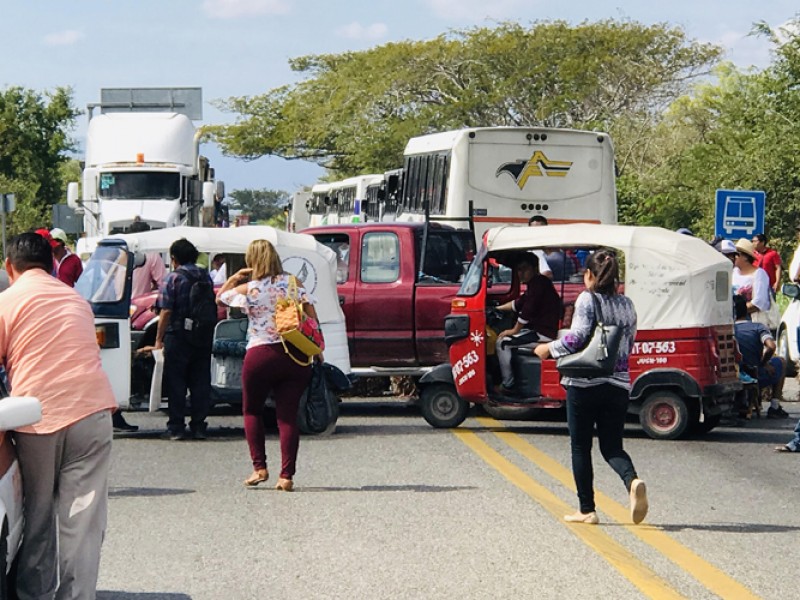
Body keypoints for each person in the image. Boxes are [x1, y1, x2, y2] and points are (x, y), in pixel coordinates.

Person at [0, 232, 117, 599]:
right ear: (53, 265)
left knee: (36, 516)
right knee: (83, 522)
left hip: (38, 418)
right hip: (94, 415)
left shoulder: (6, 302)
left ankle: (34, 595)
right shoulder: (76, 300)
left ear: (9, 267)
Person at [534, 250, 646, 525]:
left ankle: (587, 509)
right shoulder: (627, 305)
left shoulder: (587, 299)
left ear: (589, 275)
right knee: (612, 448)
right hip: (618, 384)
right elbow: (628, 344)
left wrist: (548, 348)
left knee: (580, 447)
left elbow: (577, 338)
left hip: (584, 384)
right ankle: (632, 482)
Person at [217, 239, 321, 491]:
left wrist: (234, 278)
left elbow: (220, 299)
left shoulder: (250, 289)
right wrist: (318, 350)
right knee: (287, 417)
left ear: (252, 261)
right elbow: (311, 316)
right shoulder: (295, 283)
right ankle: (286, 476)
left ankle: (259, 468)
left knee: (252, 410)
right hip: (294, 354)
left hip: (260, 354)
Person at [153, 239, 214, 440]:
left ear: (174, 258)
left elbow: (166, 310)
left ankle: (176, 427)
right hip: (203, 334)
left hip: (178, 335)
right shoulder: (205, 276)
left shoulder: (173, 278)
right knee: (200, 381)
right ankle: (198, 425)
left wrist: (159, 339)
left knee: (176, 381)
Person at [495, 253, 560, 393]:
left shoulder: (538, 284)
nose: (521, 273)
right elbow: (518, 303)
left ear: (535, 268)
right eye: (519, 270)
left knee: (503, 342)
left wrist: (514, 331)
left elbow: (527, 311)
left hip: (543, 333)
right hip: (539, 330)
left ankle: (508, 384)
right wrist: (495, 308)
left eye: (524, 269)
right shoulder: (537, 283)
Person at [732, 294, 789, 419]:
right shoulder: (758, 327)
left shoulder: (729, 330)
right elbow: (771, 347)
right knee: (782, 362)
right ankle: (774, 406)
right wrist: (763, 363)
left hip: (733, 375)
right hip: (756, 373)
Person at [732, 238, 772, 324]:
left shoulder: (759, 274)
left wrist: (736, 310)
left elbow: (759, 302)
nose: (733, 257)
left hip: (752, 321)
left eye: (736, 254)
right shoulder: (733, 272)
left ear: (745, 257)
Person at [129, 219, 167, 298]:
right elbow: (164, 284)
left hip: (115, 305)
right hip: (139, 306)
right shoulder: (152, 255)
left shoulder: (120, 253)